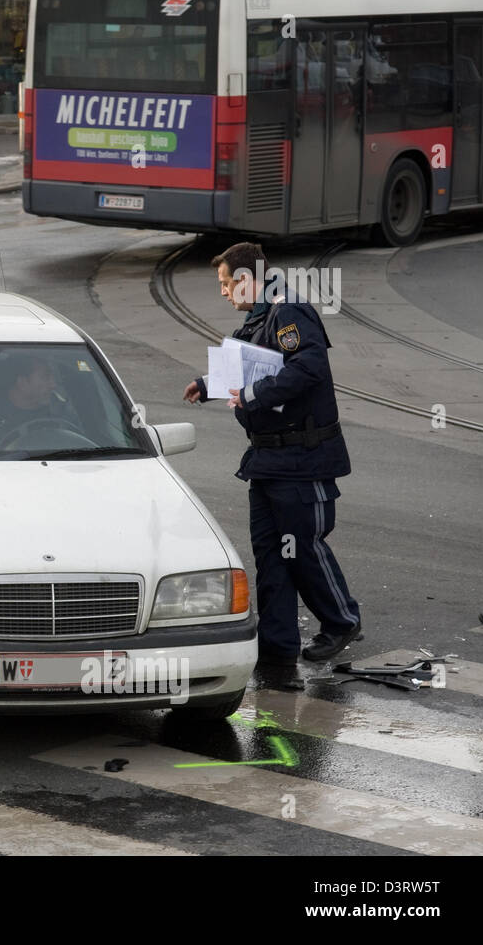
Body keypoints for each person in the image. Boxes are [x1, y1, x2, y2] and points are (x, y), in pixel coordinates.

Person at [184, 242, 361, 666]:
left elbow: (307, 367)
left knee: (301, 546)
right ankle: (278, 646)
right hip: (267, 460)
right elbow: (253, 366)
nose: (224, 292)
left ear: (247, 278)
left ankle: (341, 620)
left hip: (303, 455)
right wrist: (208, 385)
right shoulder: (257, 320)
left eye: (227, 283)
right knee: (271, 553)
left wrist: (252, 394)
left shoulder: (288, 311)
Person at [0, 352, 75, 451]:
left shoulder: (64, 412)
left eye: (53, 377)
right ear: (22, 382)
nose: (53, 384)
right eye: (45, 377)